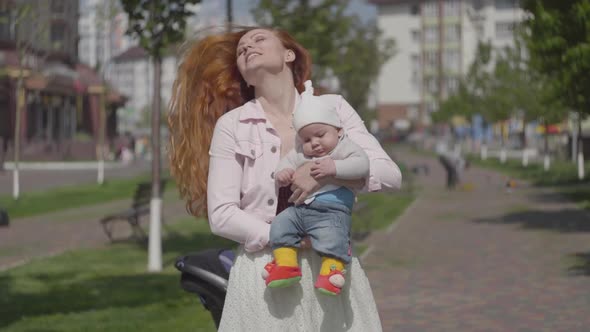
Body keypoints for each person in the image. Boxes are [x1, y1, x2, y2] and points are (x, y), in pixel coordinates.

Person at [168, 26, 402, 331]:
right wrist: (283, 235)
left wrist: (327, 171)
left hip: (330, 268)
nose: (248, 47)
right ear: (244, 74)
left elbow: (389, 174)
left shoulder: (334, 108)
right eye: (241, 49)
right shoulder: (233, 126)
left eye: (259, 39)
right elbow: (222, 215)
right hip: (265, 272)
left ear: (289, 54)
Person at [265, 80, 370, 296]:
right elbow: (286, 163)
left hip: (333, 210)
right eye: (306, 139)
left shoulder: (344, 148)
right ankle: (285, 265)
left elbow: (362, 164)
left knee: (333, 236)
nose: (314, 143)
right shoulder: (302, 154)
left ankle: (332, 271)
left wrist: (335, 168)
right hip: (301, 210)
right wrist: (282, 173)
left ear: (339, 131)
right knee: (280, 224)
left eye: (320, 135)